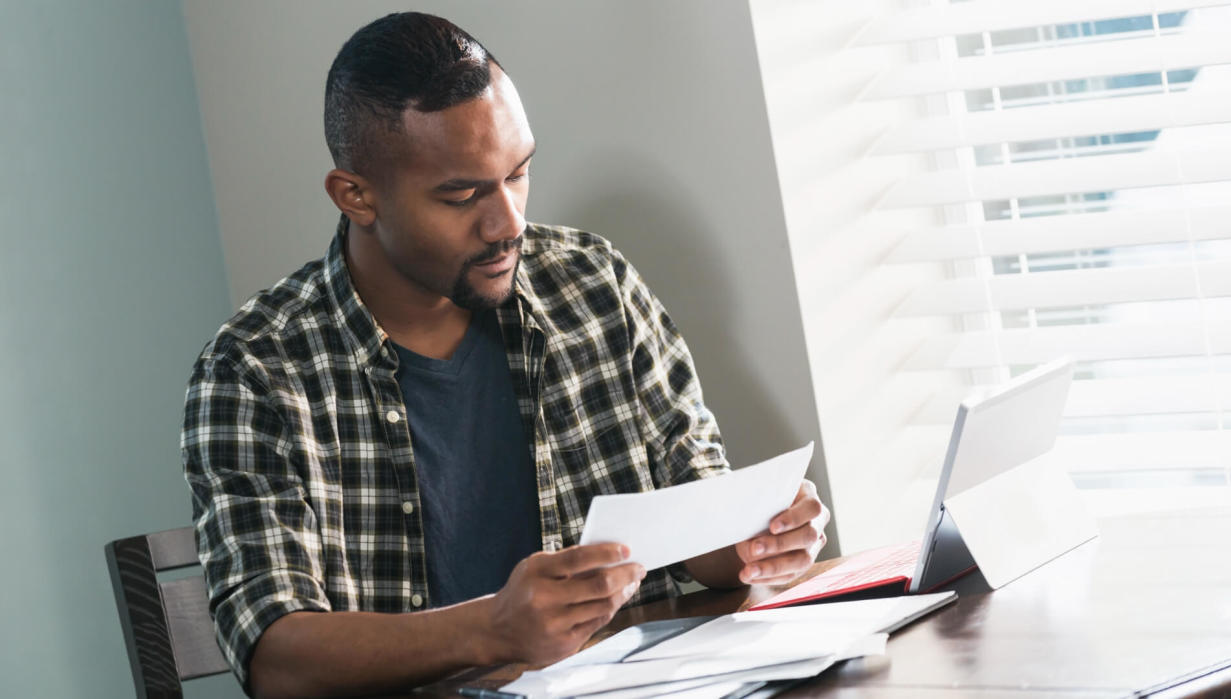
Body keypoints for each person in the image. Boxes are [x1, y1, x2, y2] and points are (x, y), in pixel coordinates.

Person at [182, 11, 830, 699]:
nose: (508, 224)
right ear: (356, 195)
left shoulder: (593, 283)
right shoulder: (256, 370)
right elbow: (276, 658)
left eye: (517, 174)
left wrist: (754, 540)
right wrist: (494, 627)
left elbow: (698, 507)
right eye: (462, 194)